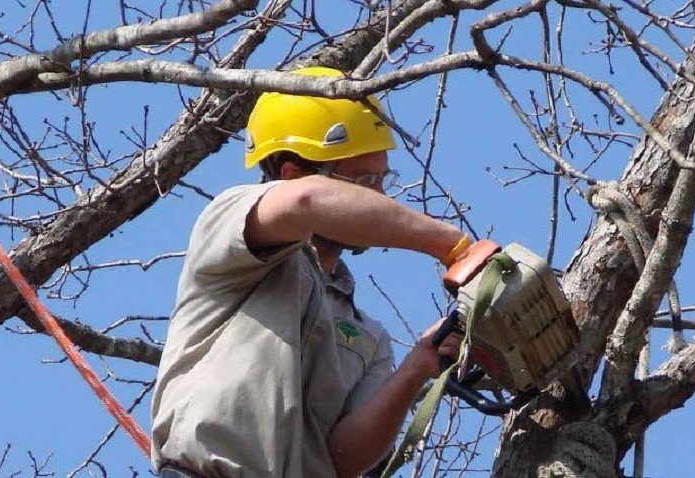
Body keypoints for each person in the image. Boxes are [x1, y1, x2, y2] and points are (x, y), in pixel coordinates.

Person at [150, 66, 499, 478]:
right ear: (293, 174)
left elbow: (342, 460)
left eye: (382, 179)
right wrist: (454, 247)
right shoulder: (231, 227)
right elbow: (304, 203)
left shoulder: (369, 338)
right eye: (364, 180)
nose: (380, 196)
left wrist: (417, 367)